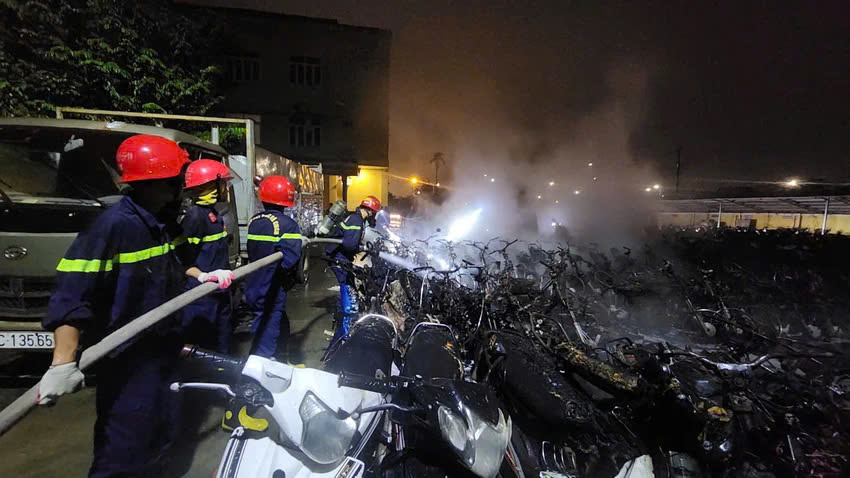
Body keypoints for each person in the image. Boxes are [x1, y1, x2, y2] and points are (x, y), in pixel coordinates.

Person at [37, 135, 232, 477]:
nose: (180, 187)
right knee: (124, 450)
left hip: (163, 351)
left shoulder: (162, 222)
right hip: (128, 359)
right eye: (174, 180)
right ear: (150, 182)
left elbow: (179, 261)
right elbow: (72, 295)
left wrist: (202, 275)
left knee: (164, 437)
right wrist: (62, 362)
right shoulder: (112, 227)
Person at [243, 175, 303, 360]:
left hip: (253, 283)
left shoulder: (254, 221)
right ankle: (260, 374)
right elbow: (288, 261)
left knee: (262, 321)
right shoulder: (288, 225)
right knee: (268, 331)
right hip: (272, 286)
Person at [179, 159, 235, 353]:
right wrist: (201, 275)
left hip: (219, 293)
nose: (225, 188)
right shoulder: (194, 217)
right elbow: (182, 259)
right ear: (211, 185)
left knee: (222, 346)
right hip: (201, 298)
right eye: (223, 183)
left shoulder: (213, 214)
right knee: (204, 349)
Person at [325, 195, 381, 346]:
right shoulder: (356, 220)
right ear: (369, 211)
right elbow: (350, 245)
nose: (373, 216)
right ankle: (344, 333)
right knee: (347, 287)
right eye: (374, 213)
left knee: (349, 283)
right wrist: (362, 248)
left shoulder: (355, 218)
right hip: (339, 259)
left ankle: (343, 322)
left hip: (339, 257)